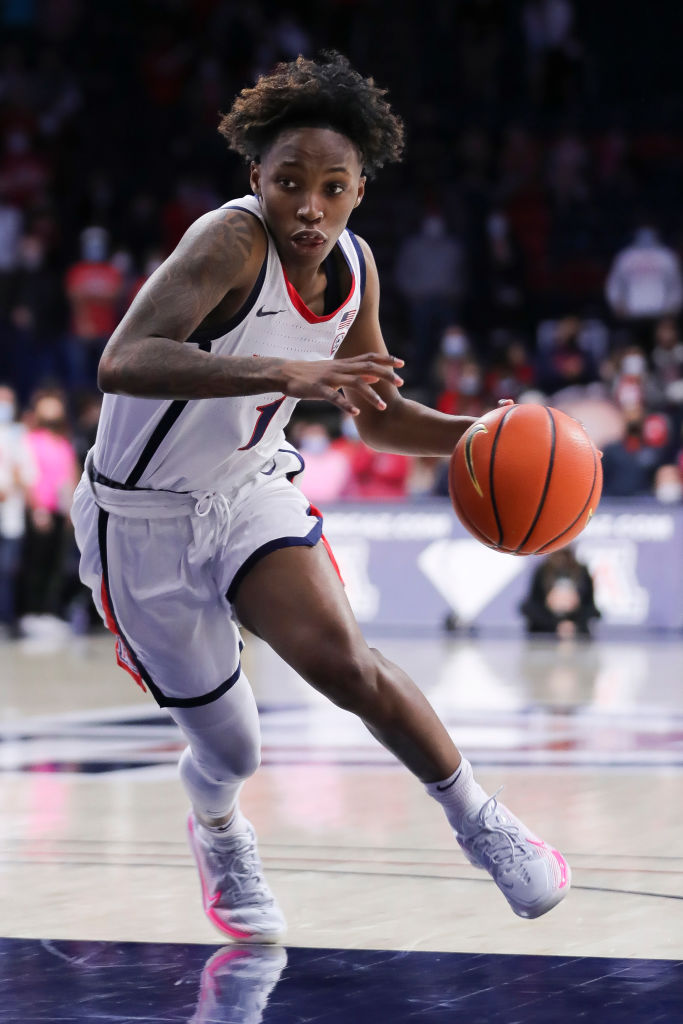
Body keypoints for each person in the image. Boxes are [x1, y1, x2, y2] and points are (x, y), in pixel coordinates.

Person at [71, 52, 570, 943]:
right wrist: (283, 370)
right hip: (140, 518)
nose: (310, 205)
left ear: (358, 191)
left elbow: (373, 415)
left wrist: (481, 437)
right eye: (290, 181)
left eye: (333, 186)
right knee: (233, 749)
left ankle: (480, 819)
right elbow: (122, 362)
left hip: (249, 489)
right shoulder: (228, 243)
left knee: (346, 662)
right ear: (254, 177)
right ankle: (218, 825)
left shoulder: (356, 267)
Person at [520, 546, 600, 639]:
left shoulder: (582, 571)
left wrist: (574, 624)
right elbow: (530, 607)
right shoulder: (542, 571)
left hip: (578, 635)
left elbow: (591, 608)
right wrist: (555, 624)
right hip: (544, 635)